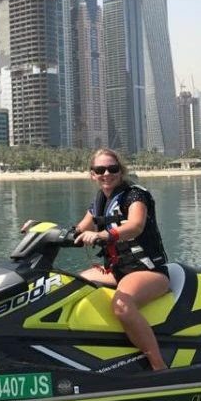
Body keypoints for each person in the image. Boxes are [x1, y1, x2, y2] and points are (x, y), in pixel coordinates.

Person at [73, 148, 170, 370]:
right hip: (116, 270)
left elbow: (135, 226)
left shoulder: (135, 195)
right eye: (100, 169)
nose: (107, 173)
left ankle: (158, 365)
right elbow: (78, 231)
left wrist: (101, 235)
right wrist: (38, 232)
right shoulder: (99, 202)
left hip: (147, 271)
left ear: (121, 170)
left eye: (112, 168)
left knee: (121, 305)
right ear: (92, 174)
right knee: (70, 284)